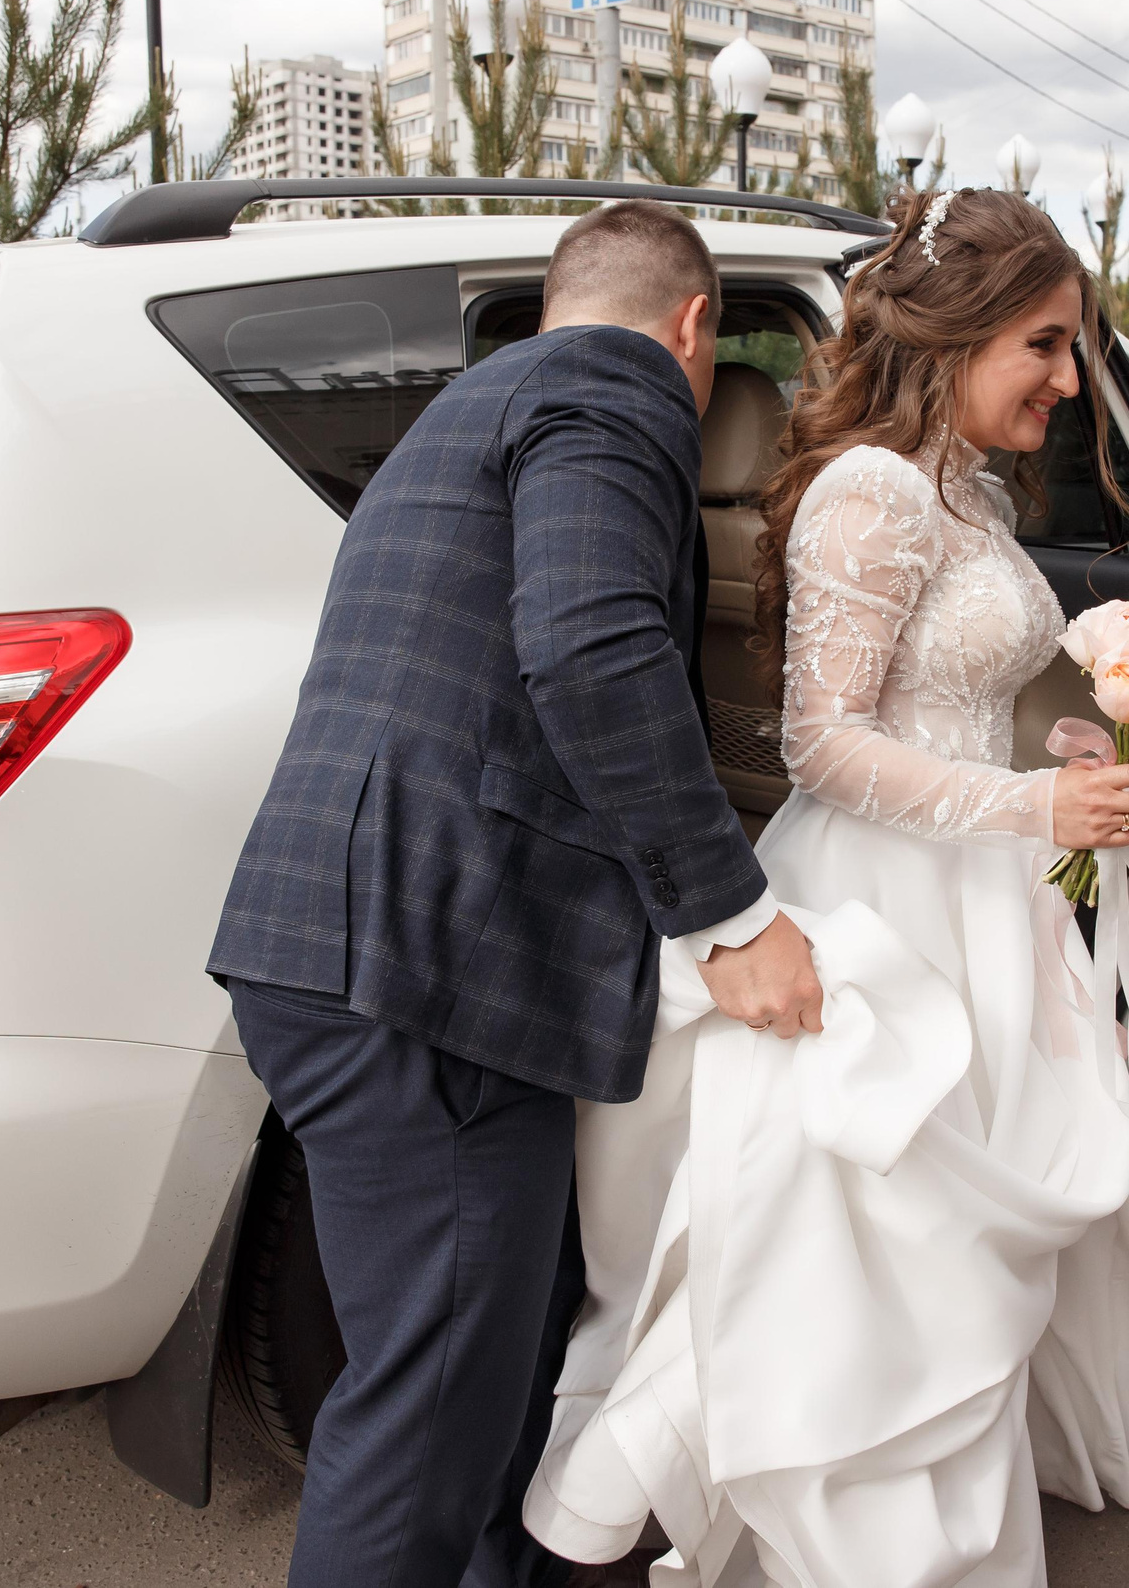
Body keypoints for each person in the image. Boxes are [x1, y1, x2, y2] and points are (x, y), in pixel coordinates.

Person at [526, 188, 1129, 1583]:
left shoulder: (963, 485)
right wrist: (1036, 799)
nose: (1066, 377)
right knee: (865, 1246)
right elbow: (824, 741)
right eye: (1043, 343)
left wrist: (1073, 757)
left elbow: (943, 703)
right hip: (883, 908)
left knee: (958, 1237)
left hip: (980, 891)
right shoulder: (872, 492)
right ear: (956, 334)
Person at [207, 201, 831, 1588]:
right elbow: (594, 647)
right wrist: (728, 915)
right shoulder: (612, 392)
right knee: (427, 1417)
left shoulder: (482, 397)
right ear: (691, 327)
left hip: (370, 940)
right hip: (429, 963)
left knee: (494, 1369)